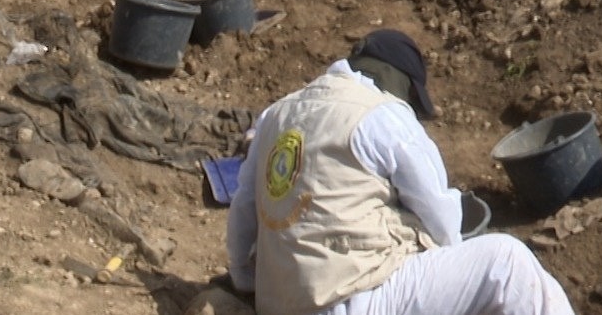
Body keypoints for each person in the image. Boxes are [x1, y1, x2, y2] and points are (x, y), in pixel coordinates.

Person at [226, 29, 578, 315]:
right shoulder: (382, 113)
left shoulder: (276, 114)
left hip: (280, 307)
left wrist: (245, 282)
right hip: (355, 301)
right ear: (396, 79)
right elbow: (443, 220)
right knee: (506, 262)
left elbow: (243, 207)